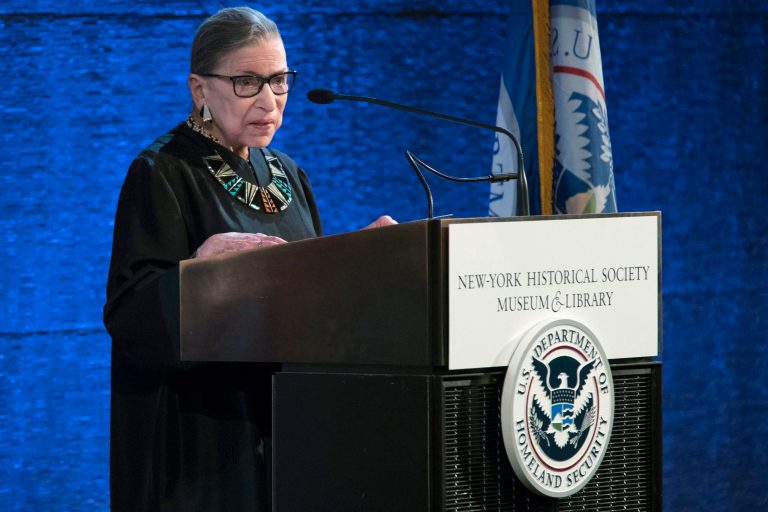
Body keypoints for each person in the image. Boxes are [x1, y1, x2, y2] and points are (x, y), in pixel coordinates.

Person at [104, 7, 395, 511]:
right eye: (246, 82)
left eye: (279, 81)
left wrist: (355, 261)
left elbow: (307, 294)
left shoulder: (289, 175)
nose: (269, 101)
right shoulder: (163, 171)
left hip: (289, 426)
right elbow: (130, 317)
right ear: (200, 89)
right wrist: (197, 274)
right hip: (204, 441)